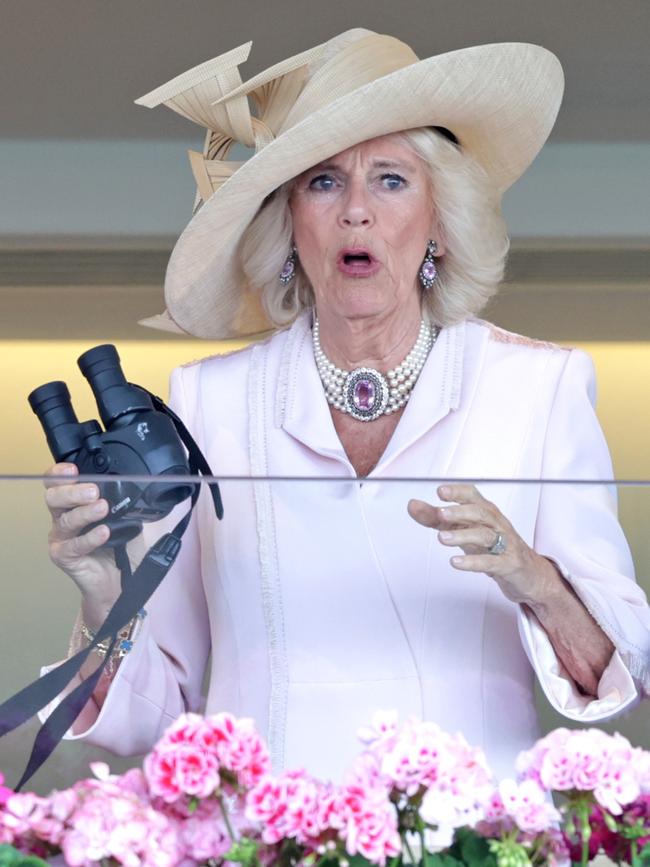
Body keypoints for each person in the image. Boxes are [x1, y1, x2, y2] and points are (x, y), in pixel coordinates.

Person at [42, 29, 650, 782]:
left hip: (471, 838)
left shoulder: (537, 387)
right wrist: (104, 588)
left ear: (438, 219)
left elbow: (619, 672)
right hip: (261, 833)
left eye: (391, 179)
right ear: (290, 223)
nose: (356, 211)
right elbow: (156, 704)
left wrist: (531, 575)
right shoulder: (210, 401)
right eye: (323, 182)